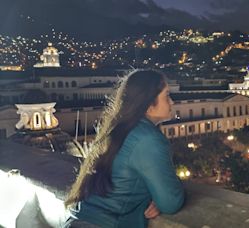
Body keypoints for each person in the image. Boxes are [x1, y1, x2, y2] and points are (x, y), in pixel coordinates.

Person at [64, 70, 185, 228]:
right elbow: (171, 202)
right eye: (167, 95)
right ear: (148, 105)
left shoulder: (116, 129)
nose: (172, 102)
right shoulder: (148, 138)